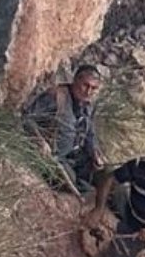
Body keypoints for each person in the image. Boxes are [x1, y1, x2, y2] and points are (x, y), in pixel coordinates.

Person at [21, 64, 104, 193]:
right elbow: (28, 119)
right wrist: (40, 141)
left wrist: (95, 152)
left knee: (105, 174)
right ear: (76, 80)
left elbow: (90, 134)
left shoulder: (89, 106)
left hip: (76, 156)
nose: (88, 91)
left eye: (93, 88)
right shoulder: (56, 96)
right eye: (85, 85)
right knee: (68, 181)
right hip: (53, 158)